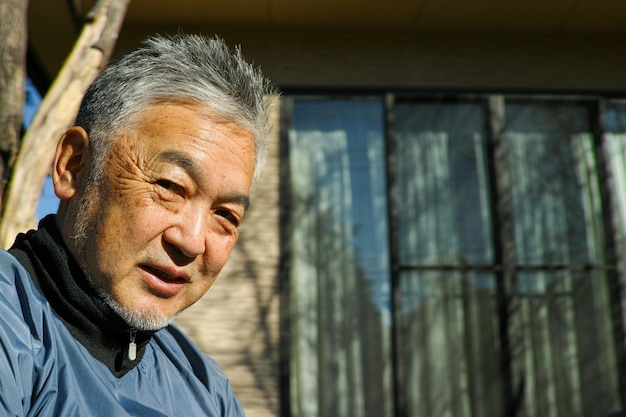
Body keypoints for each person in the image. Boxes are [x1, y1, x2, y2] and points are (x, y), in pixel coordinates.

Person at [0, 33, 277, 416]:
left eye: (226, 215)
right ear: (74, 166)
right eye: (169, 186)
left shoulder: (205, 389)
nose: (192, 241)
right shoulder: (11, 324)